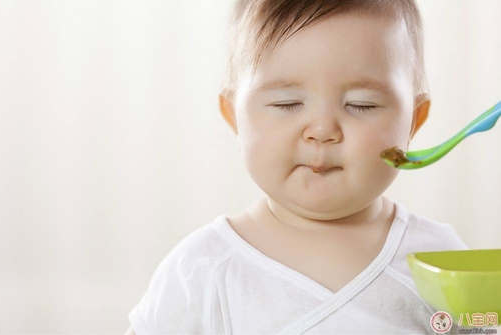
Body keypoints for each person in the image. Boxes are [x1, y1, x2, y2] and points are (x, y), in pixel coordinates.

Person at [126, 0, 467, 333]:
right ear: (235, 118)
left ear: (412, 124)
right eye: (287, 103)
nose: (321, 130)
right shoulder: (202, 271)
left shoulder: (441, 262)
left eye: (360, 105)